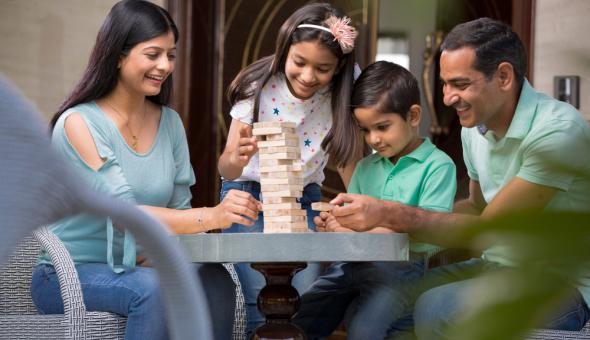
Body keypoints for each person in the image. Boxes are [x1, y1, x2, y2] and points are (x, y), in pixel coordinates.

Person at [324, 18, 590, 338]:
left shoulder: (558, 132)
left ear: (503, 76)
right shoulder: (473, 130)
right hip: (494, 267)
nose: (448, 97)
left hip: (560, 285)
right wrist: (390, 217)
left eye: (460, 84)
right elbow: (476, 206)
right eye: (445, 84)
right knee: (385, 298)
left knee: (436, 307)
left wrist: (389, 213)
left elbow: (486, 229)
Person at [30, 1, 261, 339]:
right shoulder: (79, 123)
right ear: (119, 54)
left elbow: (179, 208)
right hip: (70, 273)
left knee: (215, 278)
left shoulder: (169, 123)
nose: (165, 65)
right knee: (151, 289)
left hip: (141, 263)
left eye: (171, 54)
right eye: (153, 54)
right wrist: (214, 216)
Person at [217, 2, 363, 334]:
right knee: (262, 298)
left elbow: (348, 163)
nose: (309, 76)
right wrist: (237, 158)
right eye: (299, 62)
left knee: (302, 299)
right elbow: (226, 167)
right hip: (248, 197)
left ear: (338, 68)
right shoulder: (258, 87)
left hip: (304, 201)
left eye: (323, 68)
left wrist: (360, 208)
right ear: (285, 50)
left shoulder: (339, 95)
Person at [293, 61, 457, 339]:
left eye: (382, 127)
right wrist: (331, 223)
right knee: (301, 315)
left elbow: (429, 233)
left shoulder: (438, 166)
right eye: (365, 130)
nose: (374, 139)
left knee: (365, 329)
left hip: (399, 270)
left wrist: (352, 230)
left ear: (414, 116)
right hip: (349, 264)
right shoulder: (367, 167)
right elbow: (347, 223)